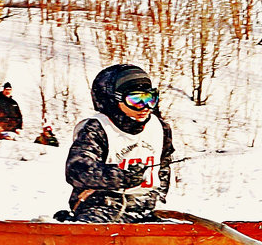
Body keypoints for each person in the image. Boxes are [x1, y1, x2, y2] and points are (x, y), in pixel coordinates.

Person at [58, 64, 175, 223]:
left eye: (150, 99)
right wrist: (120, 176)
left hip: (144, 206)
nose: (145, 108)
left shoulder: (160, 128)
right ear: (114, 100)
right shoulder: (98, 128)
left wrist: (159, 197)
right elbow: (77, 169)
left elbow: (164, 166)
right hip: (102, 206)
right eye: (136, 101)